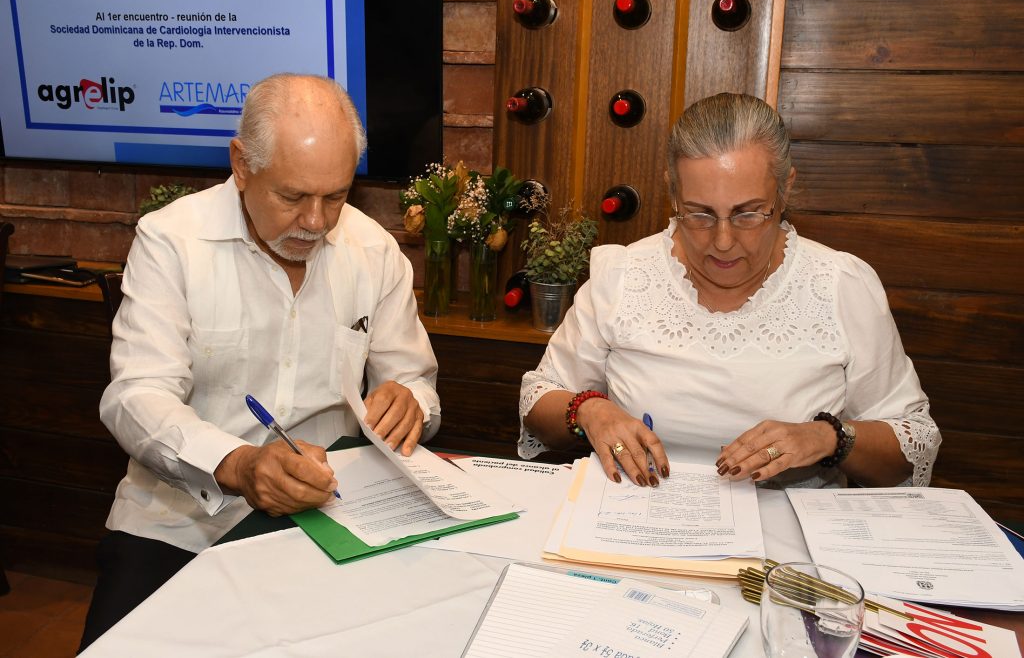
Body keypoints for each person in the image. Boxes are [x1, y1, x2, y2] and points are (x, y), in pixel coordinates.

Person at [79, 74, 440, 650]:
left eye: (337, 196)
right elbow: (136, 396)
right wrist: (240, 464)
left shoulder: (373, 252)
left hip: (327, 517)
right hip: (179, 523)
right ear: (242, 165)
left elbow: (414, 379)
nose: (317, 222)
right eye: (294, 197)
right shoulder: (173, 242)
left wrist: (410, 402)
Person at [518, 92, 940, 491]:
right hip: (640, 524)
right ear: (673, 192)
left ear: (785, 189)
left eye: (748, 214)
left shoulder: (840, 284)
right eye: (699, 214)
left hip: (790, 542)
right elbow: (539, 400)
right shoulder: (624, 274)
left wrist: (830, 437)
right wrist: (589, 410)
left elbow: (912, 445)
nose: (722, 241)